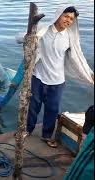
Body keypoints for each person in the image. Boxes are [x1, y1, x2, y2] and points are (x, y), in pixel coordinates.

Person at [16, 5, 94, 148]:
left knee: (52, 110)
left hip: (57, 80)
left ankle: (46, 135)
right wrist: (29, 35)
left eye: (71, 19)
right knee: (33, 106)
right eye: (66, 16)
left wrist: (89, 74)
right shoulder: (43, 30)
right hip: (38, 77)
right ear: (58, 15)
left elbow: (78, 58)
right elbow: (19, 39)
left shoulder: (70, 37)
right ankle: (27, 130)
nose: (68, 20)